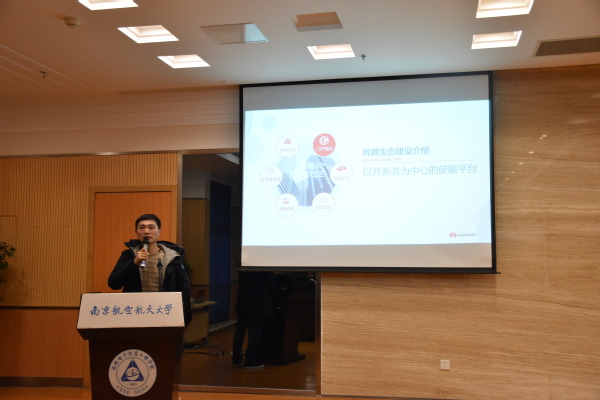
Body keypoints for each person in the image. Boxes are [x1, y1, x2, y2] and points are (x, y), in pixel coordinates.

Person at [108, 213, 192, 326]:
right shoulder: (128, 255)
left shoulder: (172, 258)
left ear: (159, 231)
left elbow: (184, 289)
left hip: (164, 314)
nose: (146, 231)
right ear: (136, 232)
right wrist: (134, 263)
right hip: (134, 315)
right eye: (142, 227)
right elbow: (113, 283)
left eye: (151, 227)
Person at [231, 270, 276, 369]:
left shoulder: (244, 265)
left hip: (242, 301)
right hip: (258, 302)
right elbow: (271, 284)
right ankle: (250, 360)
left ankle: (236, 358)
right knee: (254, 332)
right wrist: (272, 296)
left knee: (239, 331)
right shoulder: (264, 266)